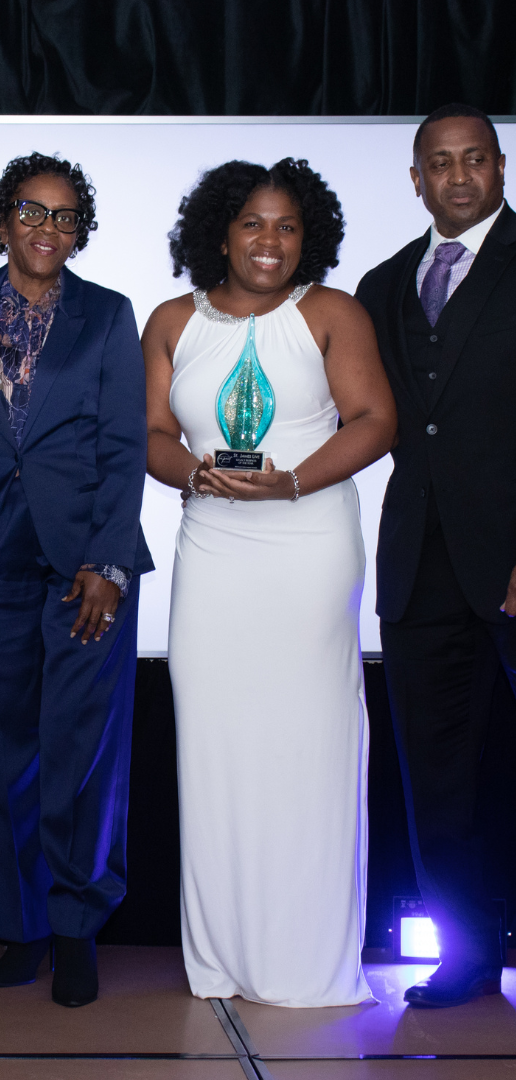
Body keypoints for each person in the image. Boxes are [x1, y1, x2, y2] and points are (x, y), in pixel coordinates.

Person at [145, 158, 396, 1007]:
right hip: (213, 554)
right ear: (219, 233)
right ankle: (222, 955)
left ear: (307, 236)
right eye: (252, 222)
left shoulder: (331, 312)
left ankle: (305, 959)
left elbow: (377, 420)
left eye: (287, 226)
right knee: (217, 749)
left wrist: (291, 482)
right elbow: (151, 433)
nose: (269, 240)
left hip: (307, 548)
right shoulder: (172, 321)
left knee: (307, 748)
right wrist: (193, 474)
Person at [0, 152, 152, 1008]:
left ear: (80, 232)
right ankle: (25, 923)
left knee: (80, 749)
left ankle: (76, 928)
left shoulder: (108, 315)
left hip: (86, 565)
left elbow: (125, 447)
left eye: (65, 217)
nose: (47, 228)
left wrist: (108, 562)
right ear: (2, 220)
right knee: (6, 749)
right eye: (32, 211)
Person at [356, 104, 516, 1008]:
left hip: (512, 558)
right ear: (416, 180)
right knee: (438, 777)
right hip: (419, 565)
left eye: (475, 159)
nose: (459, 176)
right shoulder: (383, 283)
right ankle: (468, 956)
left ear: (501, 167)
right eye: (441, 163)